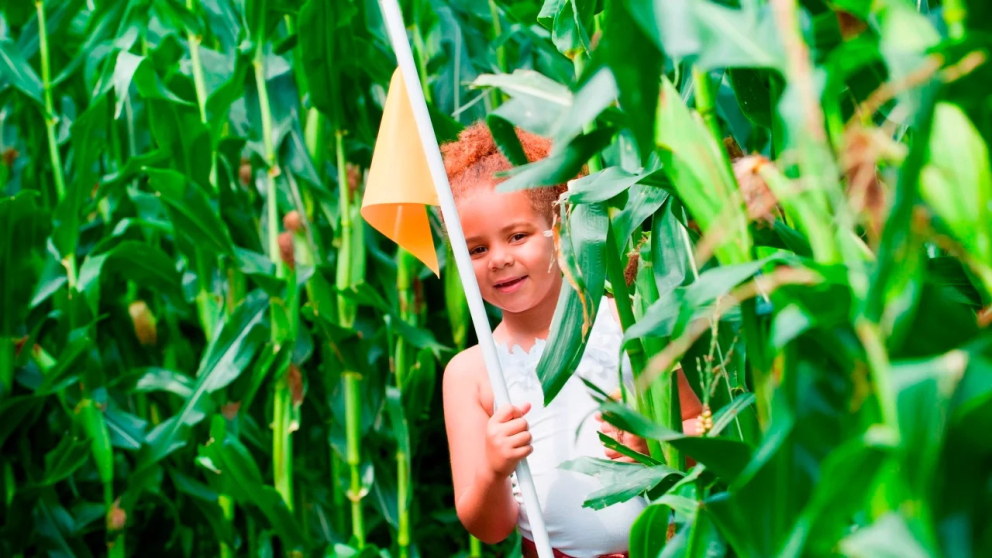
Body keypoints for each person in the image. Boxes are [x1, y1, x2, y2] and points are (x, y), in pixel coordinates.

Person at [441, 123, 703, 558]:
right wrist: (492, 468)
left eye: (517, 236)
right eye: (476, 249)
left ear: (560, 227)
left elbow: (706, 427)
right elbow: (488, 528)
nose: (500, 259)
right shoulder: (470, 374)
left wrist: (655, 441)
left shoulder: (630, 319)